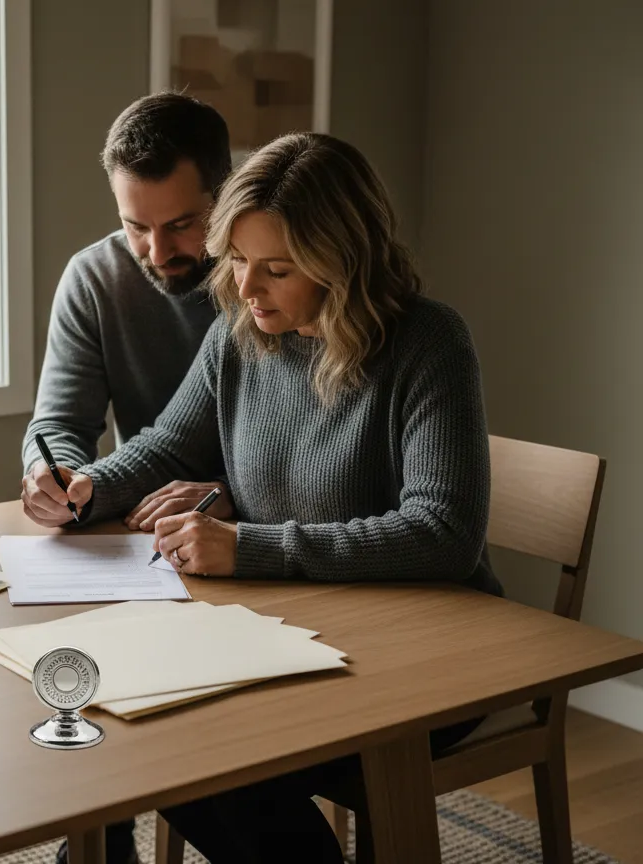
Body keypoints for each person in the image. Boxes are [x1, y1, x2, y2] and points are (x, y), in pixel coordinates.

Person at [41, 132, 502, 861]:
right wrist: (89, 485)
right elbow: (169, 443)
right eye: (240, 262)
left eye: (277, 269)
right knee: (150, 719)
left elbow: (444, 532)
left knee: (211, 755)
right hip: (293, 634)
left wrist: (254, 544)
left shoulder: (428, 343)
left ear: (342, 263)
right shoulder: (243, 333)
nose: (247, 288)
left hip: (421, 659)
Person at [21, 93, 236, 543]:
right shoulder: (96, 278)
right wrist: (54, 475)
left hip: (260, 528)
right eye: (136, 226)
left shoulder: (266, 280)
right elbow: (61, 423)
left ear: (226, 195)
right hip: (143, 526)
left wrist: (235, 493)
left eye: (180, 225)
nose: (157, 253)